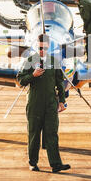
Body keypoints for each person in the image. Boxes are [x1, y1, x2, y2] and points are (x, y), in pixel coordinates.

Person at [17, 34, 71, 173]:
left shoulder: (54, 61)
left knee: (52, 133)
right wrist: (33, 75)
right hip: (35, 103)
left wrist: (62, 102)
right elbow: (21, 80)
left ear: (48, 47)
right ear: (37, 46)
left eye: (45, 48)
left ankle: (56, 164)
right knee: (34, 134)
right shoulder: (30, 60)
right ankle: (33, 163)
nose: (42, 50)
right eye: (40, 48)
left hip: (51, 103)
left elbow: (59, 82)